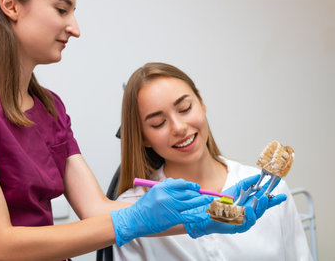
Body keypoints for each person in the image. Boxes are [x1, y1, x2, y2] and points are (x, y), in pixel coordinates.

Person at [0, 0, 283, 260]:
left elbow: (96, 210)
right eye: (62, 9)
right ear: (10, 5)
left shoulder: (50, 107)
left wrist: (206, 216)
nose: (74, 28)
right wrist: (139, 218)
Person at [112, 62, 312, 261]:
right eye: (158, 123)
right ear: (143, 137)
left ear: (201, 102)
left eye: (185, 108)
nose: (179, 128)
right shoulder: (132, 211)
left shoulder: (268, 192)